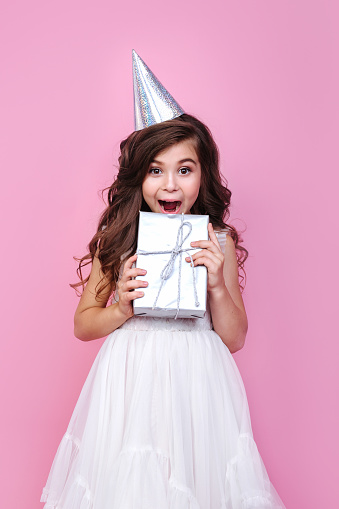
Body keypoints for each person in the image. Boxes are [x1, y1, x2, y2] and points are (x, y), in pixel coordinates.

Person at [41, 51, 285, 508]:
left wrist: (215, 283)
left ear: (202, 175)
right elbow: (82, 324)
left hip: (198, 382)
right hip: (132, 380)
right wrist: (122, 307)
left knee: (196, 483)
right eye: (155, 170)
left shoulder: (217, 240)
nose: (169, 185)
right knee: (136, 484)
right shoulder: (119, 237)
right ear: (139, 177)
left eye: (184, 169)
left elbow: (234, 338)